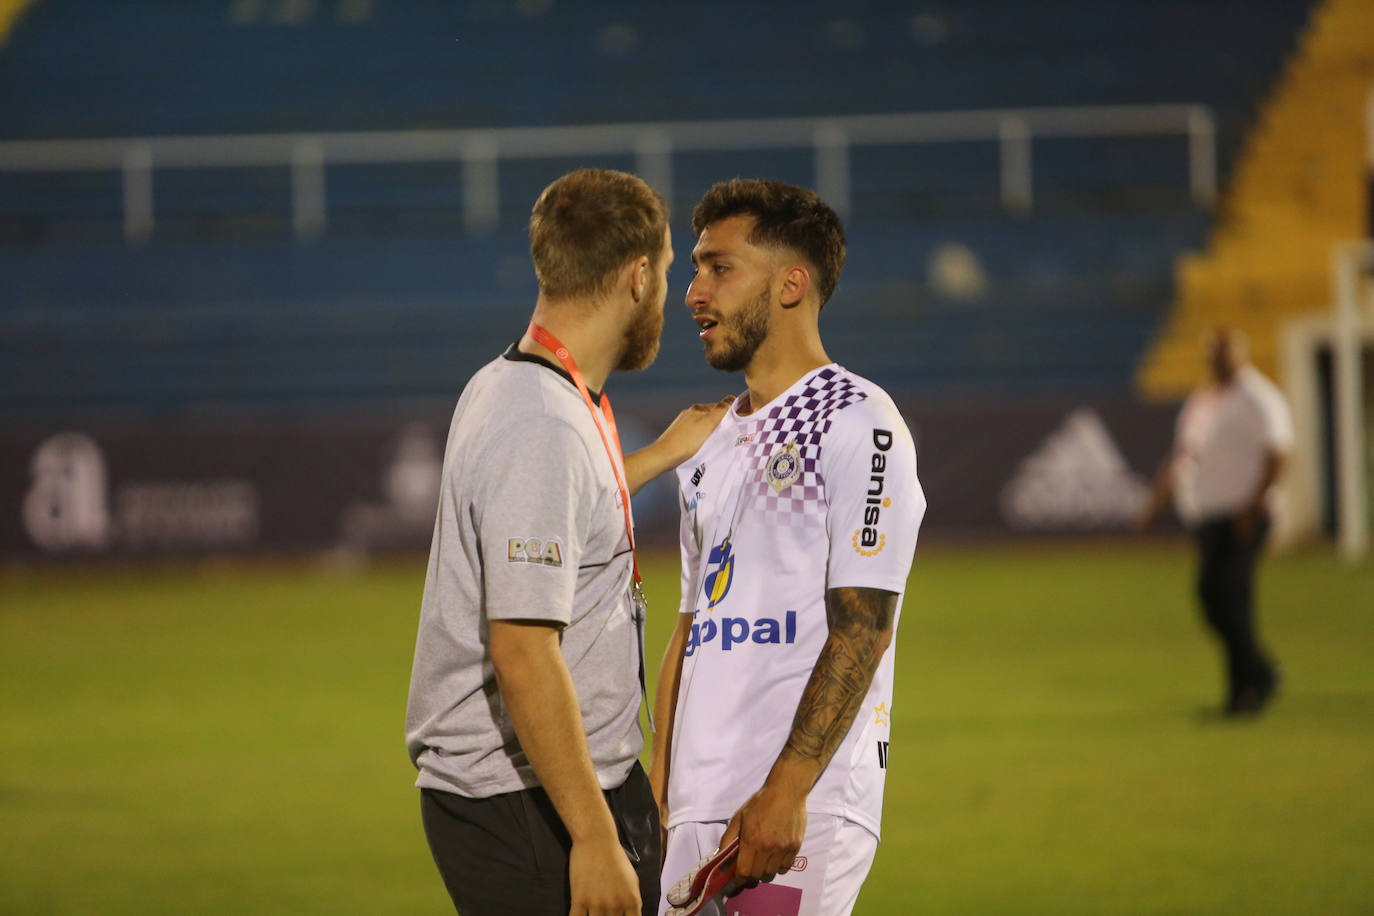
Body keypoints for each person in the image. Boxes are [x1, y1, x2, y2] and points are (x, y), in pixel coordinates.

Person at [405, 168, 731, 916]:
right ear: (637, 276)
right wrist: (591, 836)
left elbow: (565, 511)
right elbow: (523, 651)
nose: (676, 295)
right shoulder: (541, 427)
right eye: (673, 272)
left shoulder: (520, 381)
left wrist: (658, 456)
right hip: (527, 801)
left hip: (547, 789)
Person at [650, 179, 926, 916]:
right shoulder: (708, 438)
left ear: (791, 285)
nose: (693, 293)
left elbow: (864, 625)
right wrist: (658, 788)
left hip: (794, 812)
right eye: (695, 268)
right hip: (693, 809)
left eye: (719, 267)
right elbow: (690, 627)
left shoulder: (859, 420)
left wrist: (787, 788)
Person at [1140, 327, 1292, 715]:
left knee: (1226, 597)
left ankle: (1249, 688)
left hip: (1243, 517)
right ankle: (1254, 678)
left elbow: (1279, 455)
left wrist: (1252, 508)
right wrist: (1158, 500)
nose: (1217, 360)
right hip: (1208, 518)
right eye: (1213, 353)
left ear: (1240, 353)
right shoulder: (1203, 401)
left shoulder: (1259, 399)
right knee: (1218, 602)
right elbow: (1183, 454)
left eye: (1224, 352)